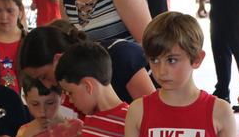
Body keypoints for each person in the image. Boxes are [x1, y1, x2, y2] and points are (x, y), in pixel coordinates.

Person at [18, 21, 154, 104]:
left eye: (44, 77)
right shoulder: (74, 86)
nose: (46, 85)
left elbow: (154, 114)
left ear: (58, 59)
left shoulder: (120, 56)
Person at [9, 73, 82, 137]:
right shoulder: (25, 131)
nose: (42, 111)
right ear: (25, 100)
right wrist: (28, 135)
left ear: (62, 97)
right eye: (35, 104)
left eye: (50, 103)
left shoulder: (77, 127)